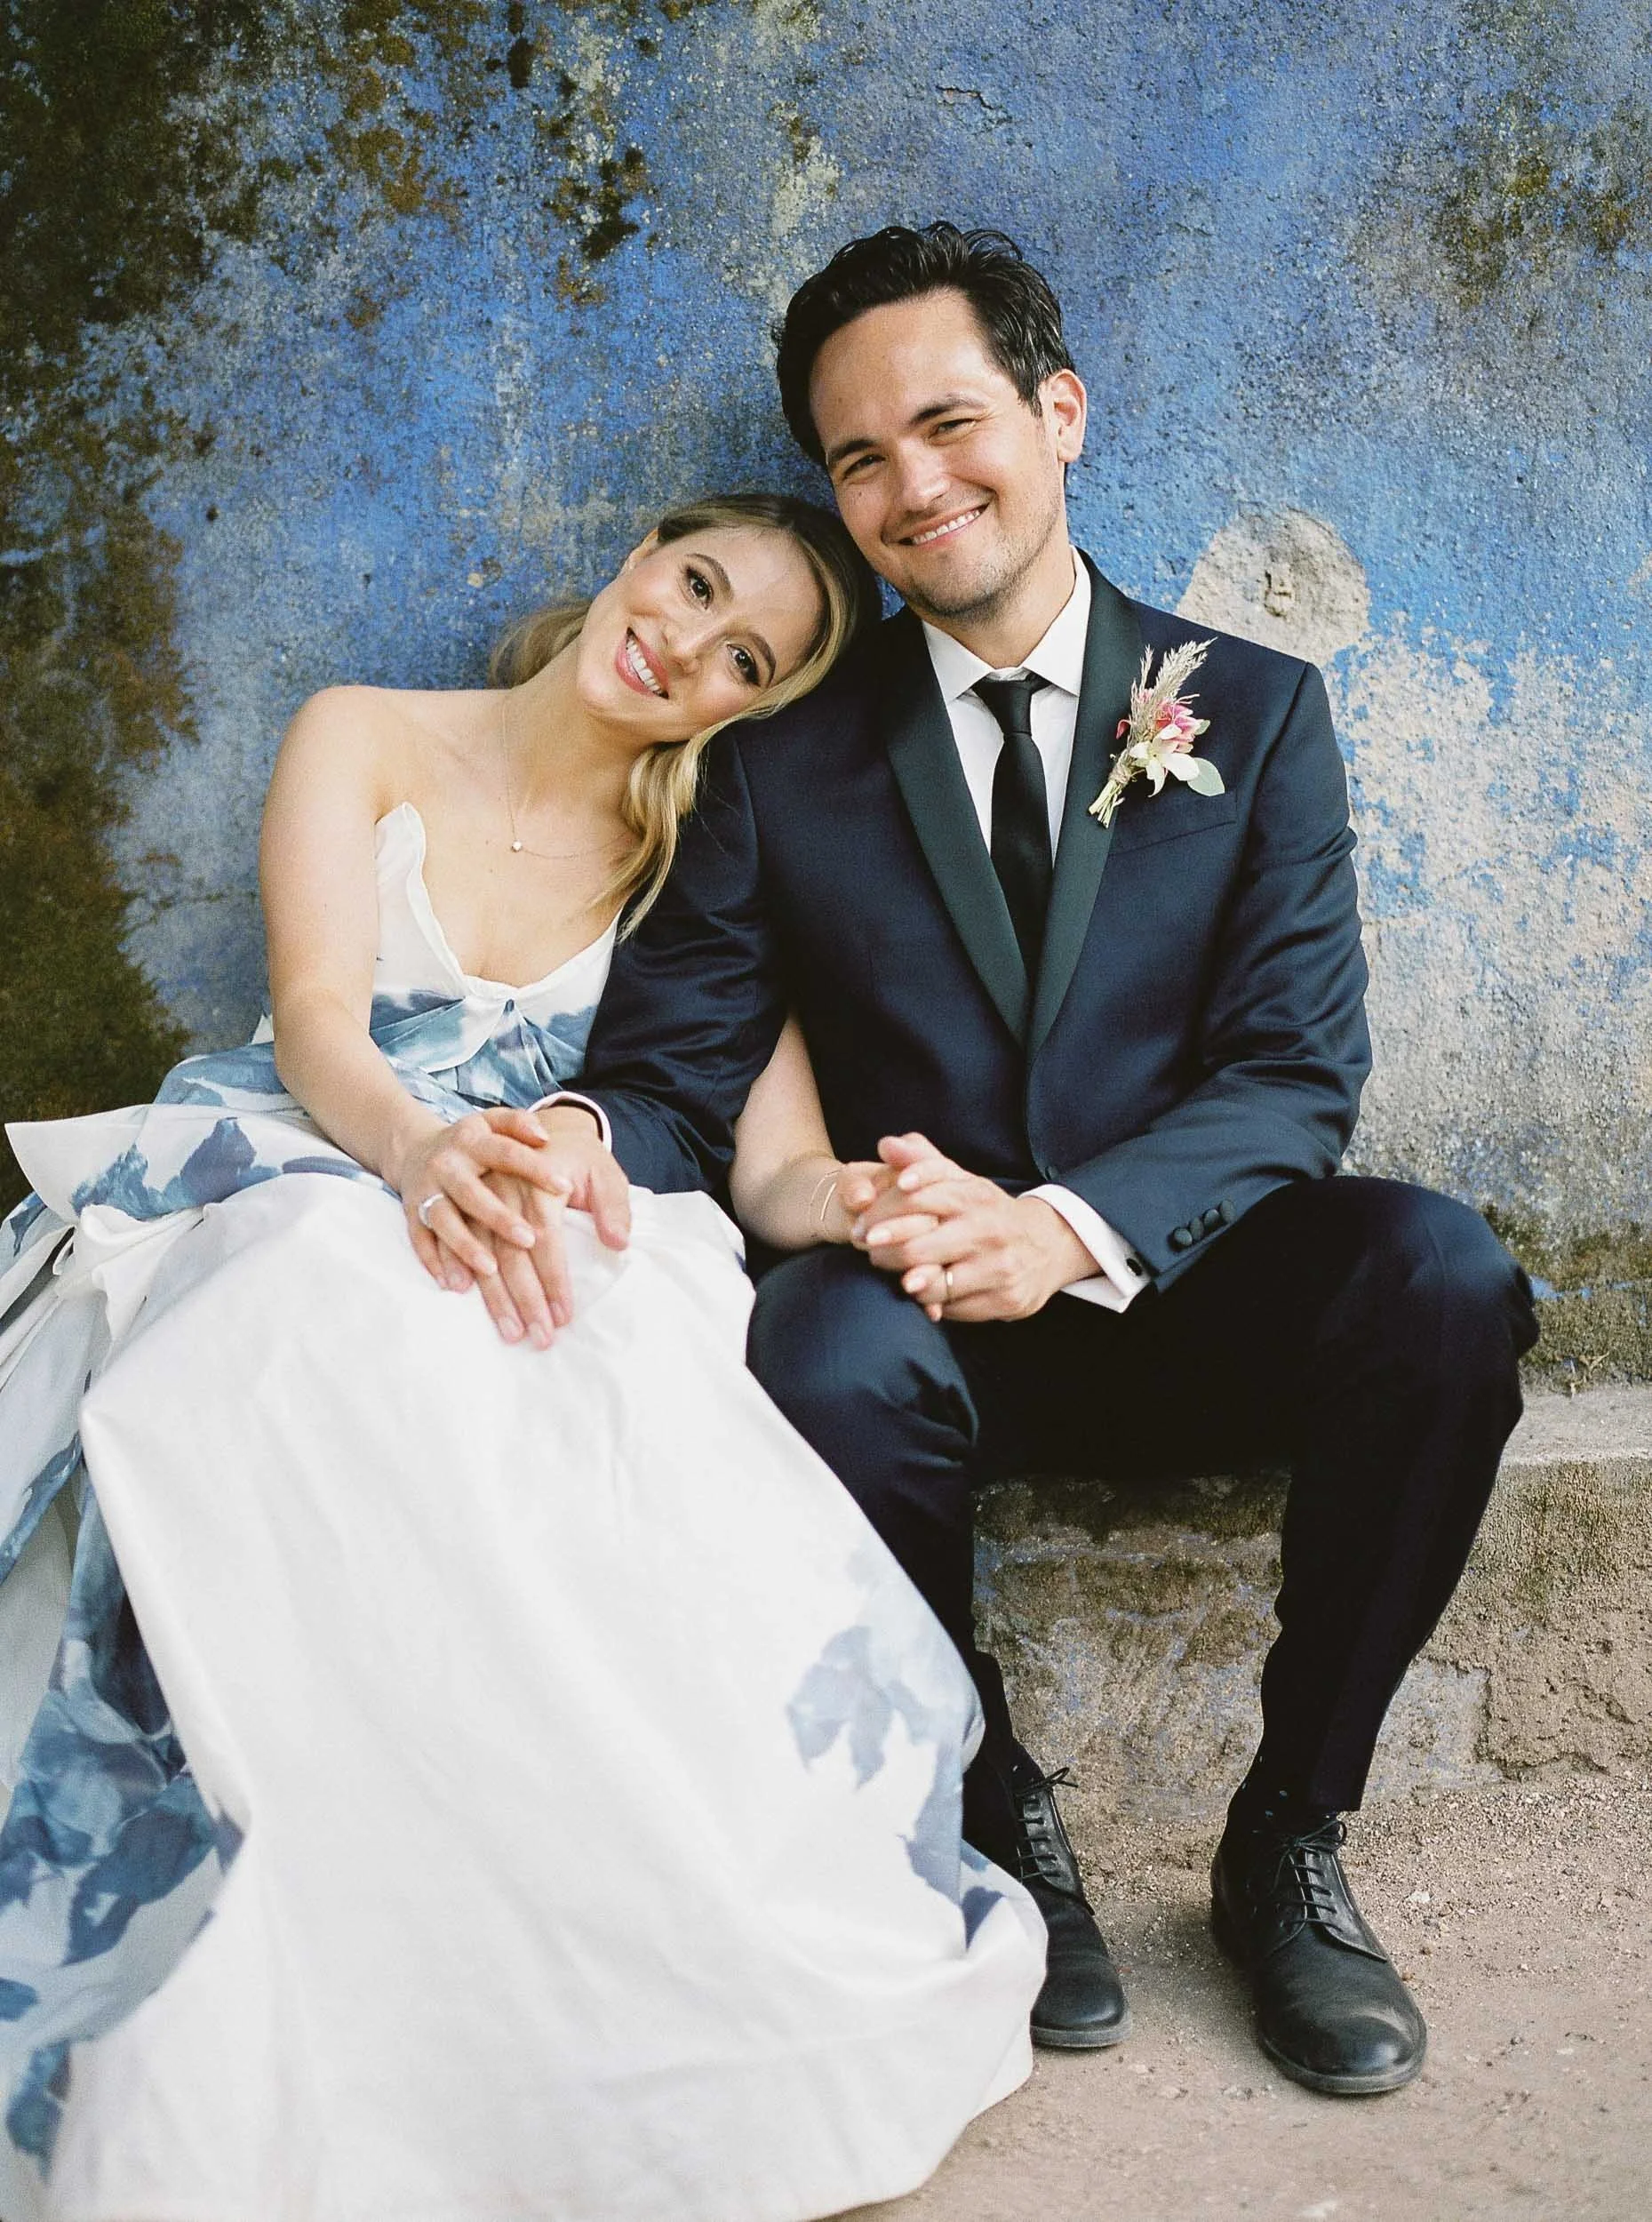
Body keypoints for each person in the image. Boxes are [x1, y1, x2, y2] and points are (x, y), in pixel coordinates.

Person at [490, 228, 1541, 2097]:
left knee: (1445, 1277)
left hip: (1184, 1284)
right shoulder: (777, 762)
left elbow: (1292, 1076)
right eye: (858, 458)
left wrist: (1064, 1227)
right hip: (919, 1334)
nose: (912, 486)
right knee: (807, 1340)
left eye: (947, 423)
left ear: (1057, 412)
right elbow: (669, 1073)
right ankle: (990, 1808)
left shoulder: (1253, 710)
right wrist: (569, 1131)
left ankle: (1286, 1837)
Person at [0, 492, 1046, 2221]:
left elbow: (768, 1162)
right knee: (311, 1304)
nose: (683, 645)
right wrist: (421, 1154)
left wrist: (865, 1202)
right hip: (331, 1147)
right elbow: (317, 1014)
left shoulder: (704, 855)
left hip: (567, 1210)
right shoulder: (362, 732)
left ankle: (567, 1948)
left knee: (600, 1366)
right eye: (691, 585)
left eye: (742, 659)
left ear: (755, 709)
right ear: (641, 551)